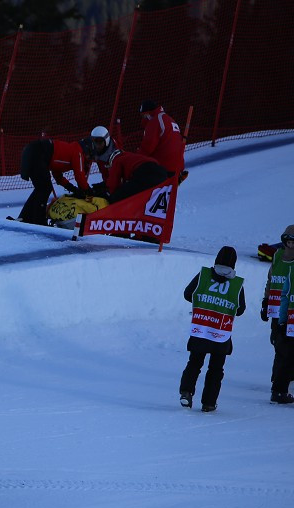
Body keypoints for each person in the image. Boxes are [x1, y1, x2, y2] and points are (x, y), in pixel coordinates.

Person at [179, 246, 246, 412]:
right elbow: (240, 309)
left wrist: (204, 303)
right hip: (221, 332)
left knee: (194, 362)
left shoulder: (204, 275)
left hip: (201, 328)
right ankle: (209, 402)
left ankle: (186, 392)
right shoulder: (237, 284)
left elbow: (188, 294)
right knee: (216, 369)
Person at [16, 137, 93, 224]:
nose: (89, 158)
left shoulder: (67, 152)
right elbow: (80, 176)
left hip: (33, 150)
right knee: (44, 188)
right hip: (37, 152)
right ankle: (39, 221)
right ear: (87, 149)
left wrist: (73, 189)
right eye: (90, 155)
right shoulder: (78, 152)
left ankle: (24, 217)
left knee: (41, 188)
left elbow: (58, 177)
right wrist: (88, 191)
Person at [260, 225, 294, 404]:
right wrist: (265, 302)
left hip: (291, 310)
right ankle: (279, 380)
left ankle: (284, 379)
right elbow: (271, 279)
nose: (290, 246)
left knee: (287, 348)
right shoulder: (278, 256)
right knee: (279, 344)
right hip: (277, 308)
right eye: (288, 242)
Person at [96, 148, 169, 205]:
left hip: (145, 173)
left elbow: (113, 184)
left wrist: (110, 195)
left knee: (118, 196)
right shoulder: (132, 157)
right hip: (161, 172)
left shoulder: (117, 160)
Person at [138, 100, 185, 179]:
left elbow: (147, 148)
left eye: (143, 115)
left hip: (164, 166)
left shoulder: (154, 121)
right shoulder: (169, 119)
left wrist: (136, 158)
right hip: (178, 165)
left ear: (147, 113)